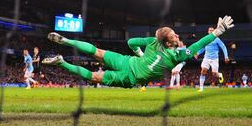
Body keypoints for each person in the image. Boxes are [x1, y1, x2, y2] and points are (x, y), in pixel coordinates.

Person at [42, 16, 234, 88]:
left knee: (98, 52)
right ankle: (62, 62)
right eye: (175, 35)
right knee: (94, 76)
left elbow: (131, 42)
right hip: (130, 77)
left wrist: (140, 54)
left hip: (127, 61)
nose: (177, 37)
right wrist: (217, 32)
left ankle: (66, 40)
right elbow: (200, 43)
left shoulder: (152, 41)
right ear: (169, 43)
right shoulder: (178, 55)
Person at [195, 27, 229, 92]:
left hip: (214, 59)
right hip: (206, 58)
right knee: (203, 71)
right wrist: (198, 53)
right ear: (208, 31)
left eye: (212, 30)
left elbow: (223, 47)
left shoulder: (217, 39)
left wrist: (226, 57)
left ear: (214, 31)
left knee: (214, 74)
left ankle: (219, 75)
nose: (210, 31)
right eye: (209, 30)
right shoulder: (206, 39)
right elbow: (203, 48)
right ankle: (201, 88)